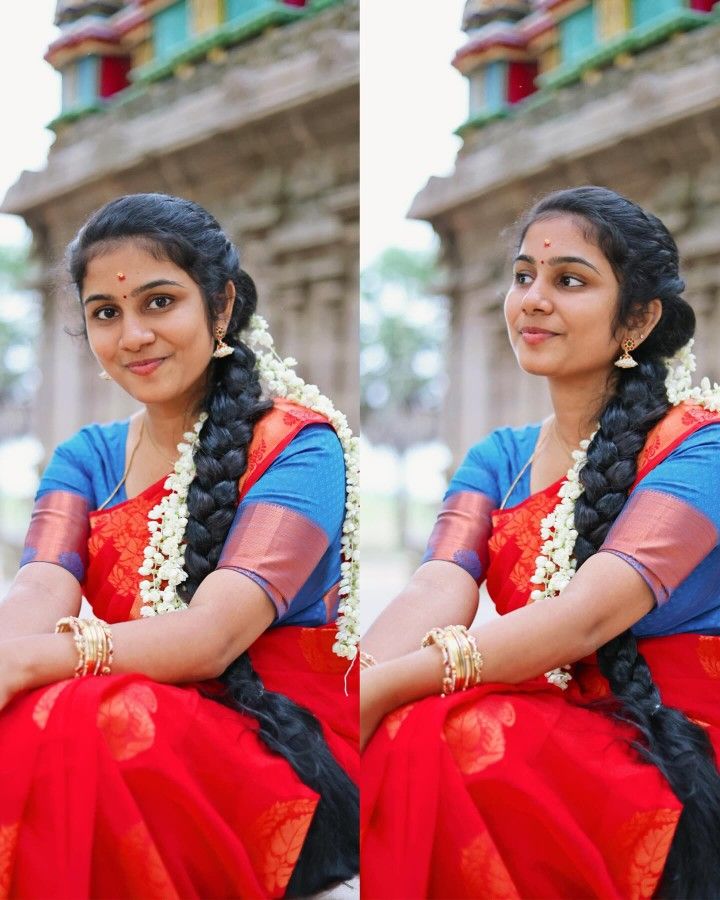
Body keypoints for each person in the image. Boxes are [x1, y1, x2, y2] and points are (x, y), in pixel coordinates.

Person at [360, 186, 720, 899]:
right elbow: (438, 585)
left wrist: (390, 686)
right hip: (548, 715)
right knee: (419, 734)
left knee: (447, 740)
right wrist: (361, 680)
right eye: (523, 275)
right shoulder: (501, 458)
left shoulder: (698, 446)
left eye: (570, 281)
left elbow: (586, 616)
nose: (533, 298)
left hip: (673, 737)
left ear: (639, 318)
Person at [0, 193, 359, 899]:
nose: (133, 334)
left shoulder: (300, 448)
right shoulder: (88, 457)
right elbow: (40, 588)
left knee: (84, 717)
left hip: (279, 747)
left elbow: (211, 637)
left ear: (221, 308)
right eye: (106, 313)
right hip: (120, 718)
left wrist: (32, 662)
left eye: (159, 302)